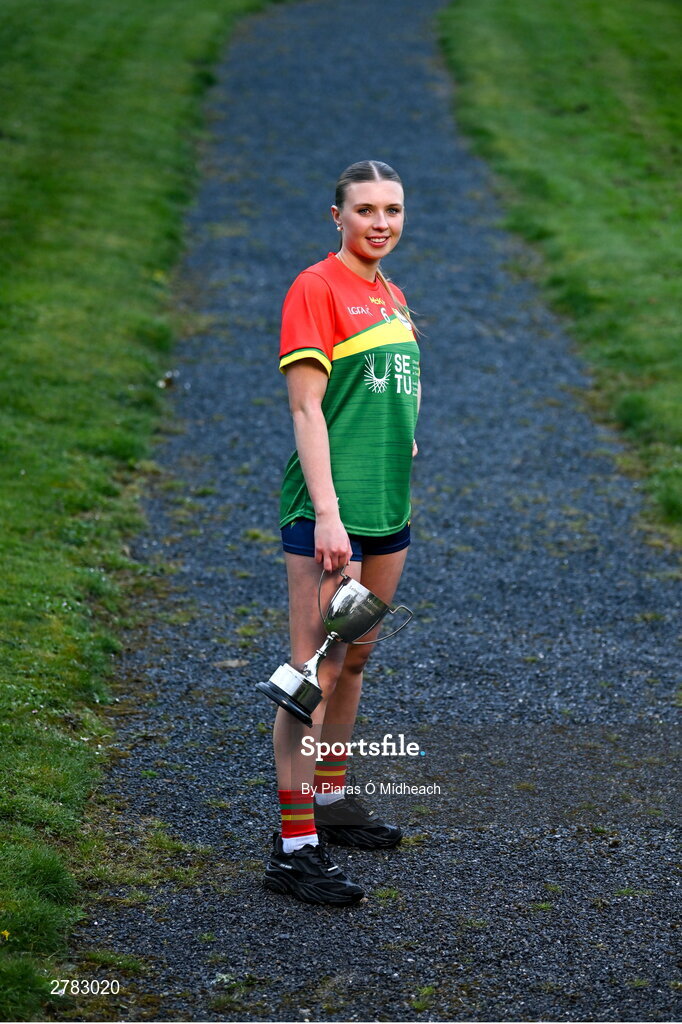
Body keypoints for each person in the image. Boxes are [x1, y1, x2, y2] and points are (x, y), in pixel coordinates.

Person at [263, 160, 421, 906]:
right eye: (365, 210)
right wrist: (327, 512)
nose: (380, 222)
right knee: (312, 677)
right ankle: (294, 849)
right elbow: (307, 410)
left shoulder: (389, 292)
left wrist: (404, 438)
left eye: (391, 209)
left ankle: (330, 802)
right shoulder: (316, 288)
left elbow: (385, 394)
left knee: (353, 663)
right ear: (338, 217)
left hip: (388, 511)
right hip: (334, 517)